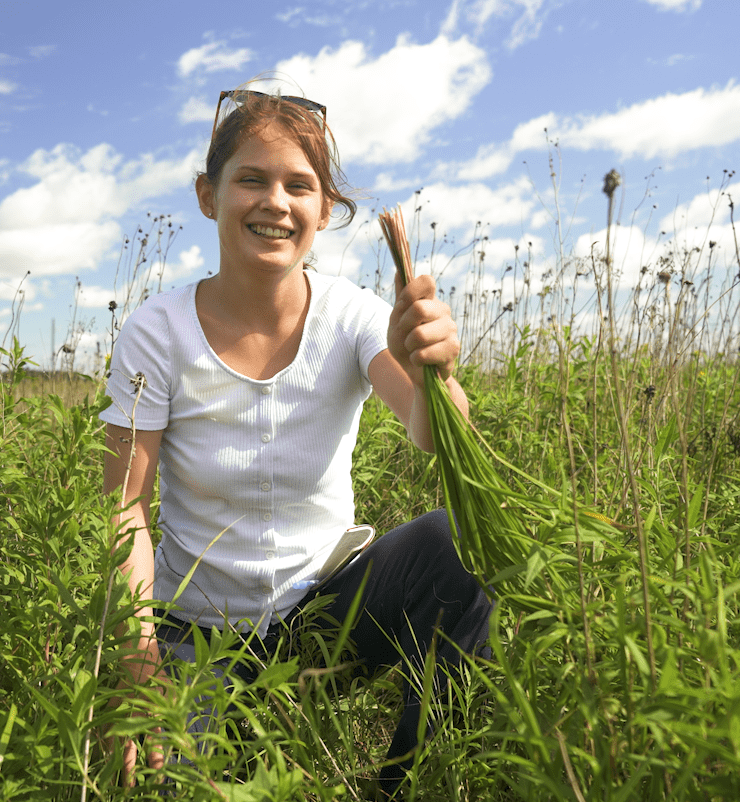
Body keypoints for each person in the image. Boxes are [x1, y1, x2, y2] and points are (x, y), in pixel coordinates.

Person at [100, 87, 492, 797]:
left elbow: (435, 435)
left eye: (299, 186)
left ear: (324, 211)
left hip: (325, 627)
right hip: (200, 636)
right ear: (207, 195)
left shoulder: (351, 316)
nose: (275, 202)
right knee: (178, 783)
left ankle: (399, 786)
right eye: (251, 178)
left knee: (455, 544)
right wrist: (138, 656)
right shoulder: (156, 334)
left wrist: (435, 370)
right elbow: (123, 509)